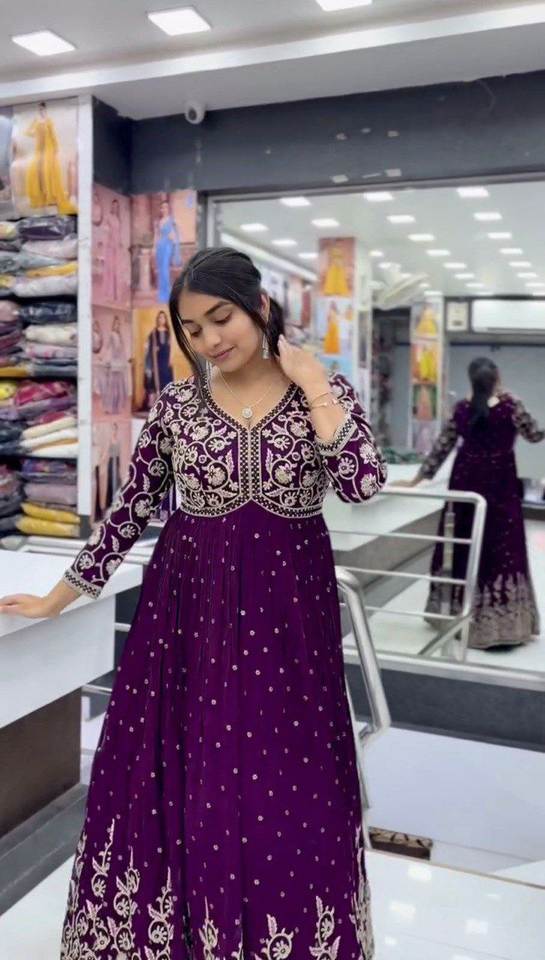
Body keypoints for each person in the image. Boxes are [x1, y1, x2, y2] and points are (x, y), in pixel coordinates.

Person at [0, 247, 385, 959]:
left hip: (287, 626)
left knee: (285, 781)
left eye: (221, 318)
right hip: (188, 622)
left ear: (259, 307)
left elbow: (361, 485)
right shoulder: (179, 405)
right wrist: (60, 595)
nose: (210, 340)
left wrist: (315, 385)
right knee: (186, 776)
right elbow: (130, 509)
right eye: (194, 329)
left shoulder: (321, 392)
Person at [396, 357, 544, 649]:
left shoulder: (461, 409)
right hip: (500, 486)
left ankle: (455, 615)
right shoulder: (511, 406)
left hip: (466, 484)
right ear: (497, 377)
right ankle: (501, 625)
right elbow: (534, 434)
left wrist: (417, 479)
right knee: (501, 550)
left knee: (462, 546)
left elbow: (442, 447)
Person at [23, 101, 76, 215]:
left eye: (42, 109)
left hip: (49, 150)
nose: (41, 111)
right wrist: (35, 134)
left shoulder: (49, 121)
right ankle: (41, 196)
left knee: (48, 173)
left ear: (45, 110)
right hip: (39, 149)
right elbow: (27, 132)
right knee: (37, 172)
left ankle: (50, 197)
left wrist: (56, 148)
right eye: (39, 109)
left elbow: (53, 135)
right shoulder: (36, 121)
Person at [143, 309, 174, 409]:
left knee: (166, 379)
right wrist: (152, 348)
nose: (162, 319)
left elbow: (171, 346)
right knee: (157, 379)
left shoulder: (168, 332)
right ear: (158, 319)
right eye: (160, 317)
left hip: (166, 359)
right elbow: (147, 345)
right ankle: (157, 402)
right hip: (156, 360)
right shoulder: (153, 332)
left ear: (165, 319)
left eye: (163, 317)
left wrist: (170, 358)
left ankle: (166, 402)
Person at [155, 198, 182, 302]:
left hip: (168, 246)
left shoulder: (172, 220)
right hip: (160, 246)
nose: (164, 209)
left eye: (166, 207)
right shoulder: (159, 221)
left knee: (165, 268)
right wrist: (154, 247)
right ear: (160, 209)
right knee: (161, 269)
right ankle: (162, 294)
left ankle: (167, 293)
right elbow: (157, 235)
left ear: (168, 208)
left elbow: (177, 233)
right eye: (162, 207)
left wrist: (174, 238)